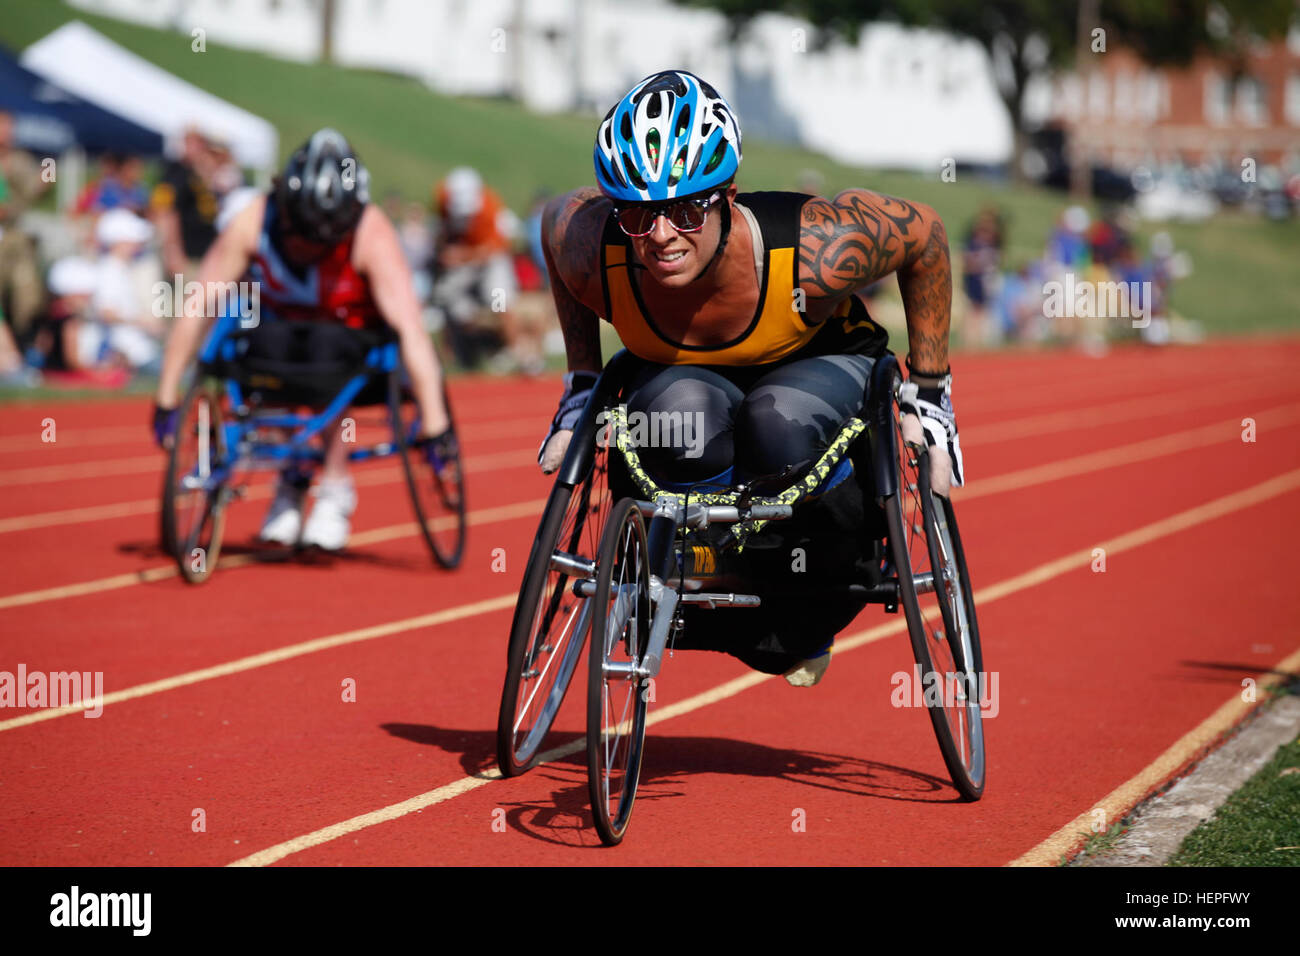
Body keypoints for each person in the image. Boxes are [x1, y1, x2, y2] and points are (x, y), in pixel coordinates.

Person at [536, 70, 963, 685]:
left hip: (814, 359)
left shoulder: (814, 251)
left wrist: (929, 393)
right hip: (687, 374)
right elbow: (556, 228)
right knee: (672, 426)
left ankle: (808, 577)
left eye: (685, 210)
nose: (660, 236)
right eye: (638, 215)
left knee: (774, 421)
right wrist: (581, 384)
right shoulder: (590, 247)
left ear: (727, 195)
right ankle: (710, 563)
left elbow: (925, 236)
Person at [152, 128, 455, 552]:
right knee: (255, 351)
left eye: (325, 235)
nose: (311, 244)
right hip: (278, 342)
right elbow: (199, 302)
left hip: (348, 350)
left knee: (325, 358)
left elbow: (409, 329)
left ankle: (334, 488)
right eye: (302, 230)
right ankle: (291, 482)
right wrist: (168, 395)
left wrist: (436, 423)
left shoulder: (372, 232)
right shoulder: (255, 219)